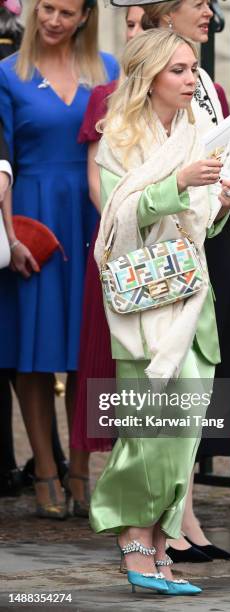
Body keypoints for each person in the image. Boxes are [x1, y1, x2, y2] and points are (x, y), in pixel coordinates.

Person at [90, 27, 230, 596]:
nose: (192, 80)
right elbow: (118, 223)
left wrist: (229, 203)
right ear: (149, 77)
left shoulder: (200, 133)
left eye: (192, 69)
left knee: (180, 439)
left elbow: (199, 227)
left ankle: (160, 550)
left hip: (192, 303)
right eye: (179, 71)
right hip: (142, 312)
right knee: (147, 437)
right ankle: (134, 546)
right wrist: (177, 182)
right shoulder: (117, 140)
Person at [141, 0, 230, 562]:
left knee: (199, 383)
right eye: (197, 4)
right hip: (166, 244)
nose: (211, 12)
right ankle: (164, 524)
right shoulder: (150, 84)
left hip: (207, 231)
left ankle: (186, 510)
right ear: (166, 16)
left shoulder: (207, 81)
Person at [0, 0, 119, 518]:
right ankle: (45, 468)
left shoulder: (108, 70)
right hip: (33, 220)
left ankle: (81, 471)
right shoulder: (7, 72)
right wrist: (9, 236)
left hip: (93, 215)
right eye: (46, 8)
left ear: (85, 17)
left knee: (86, 351)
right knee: (35, 351)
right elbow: (0, 157)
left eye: (66, 12)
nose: (53, 20)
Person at [71, 6, 142, 455]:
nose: (132, 33)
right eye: (129, 24)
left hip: (179, 242)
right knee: (120, 366)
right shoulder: (108, 94)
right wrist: (131, 228)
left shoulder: (202, 92)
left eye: (141, 24)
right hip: (121, 240)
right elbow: (97, 182)